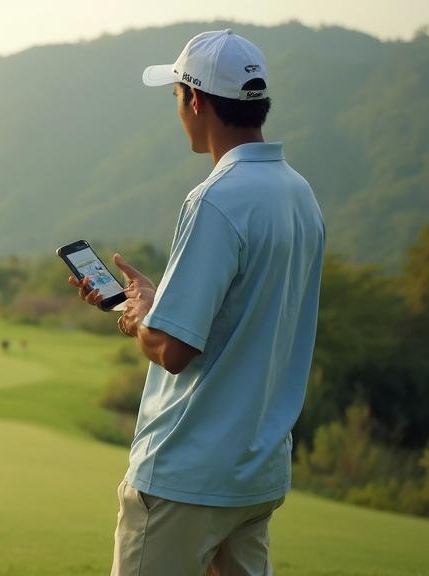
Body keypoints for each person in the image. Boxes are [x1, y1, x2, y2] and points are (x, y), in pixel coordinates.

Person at [68, 30, 325, 575]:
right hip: (254, 475)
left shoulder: (215, 198)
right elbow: (240, 312)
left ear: (196, 100)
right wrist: (157, 301)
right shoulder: (298, 193)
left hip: (187, 476)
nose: (178, 108)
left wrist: (142, 316)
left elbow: (172, 348)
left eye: (177, 95)